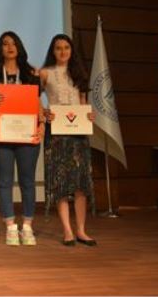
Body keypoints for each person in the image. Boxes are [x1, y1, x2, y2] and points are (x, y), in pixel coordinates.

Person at [0, 31, 44, 246]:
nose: (9, 47)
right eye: (5, 44)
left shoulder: (31, 72)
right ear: (0, 49)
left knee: (27, 181)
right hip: (1, 132)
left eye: (13, 43)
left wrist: (42, 125)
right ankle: (10, 226)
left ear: (19, 46)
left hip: (27, 132)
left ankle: (27, 226)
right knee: (5, 181)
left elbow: (37, 102)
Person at [40, 33, 97, 246]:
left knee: (81, 182)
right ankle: (67, 230)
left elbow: (83, 102)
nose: (63, 51)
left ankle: (81, 230)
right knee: (61, 181)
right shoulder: (45, 73)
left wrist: (89, 115)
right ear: (52, 51)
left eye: (66, 47)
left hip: (78, 133)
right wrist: (43, 112)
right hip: (56, 133)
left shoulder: (79, 73)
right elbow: (33, 96)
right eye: (58, 48)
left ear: (71, 51)